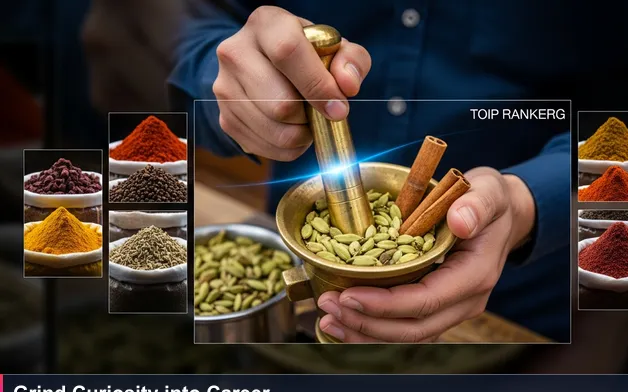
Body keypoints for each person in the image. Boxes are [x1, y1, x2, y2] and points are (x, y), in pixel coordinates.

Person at [169, 2, 572, 343]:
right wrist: (225, 80)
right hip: (306, 314)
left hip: (528, 305)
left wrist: (526, 200)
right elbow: (182, 22)